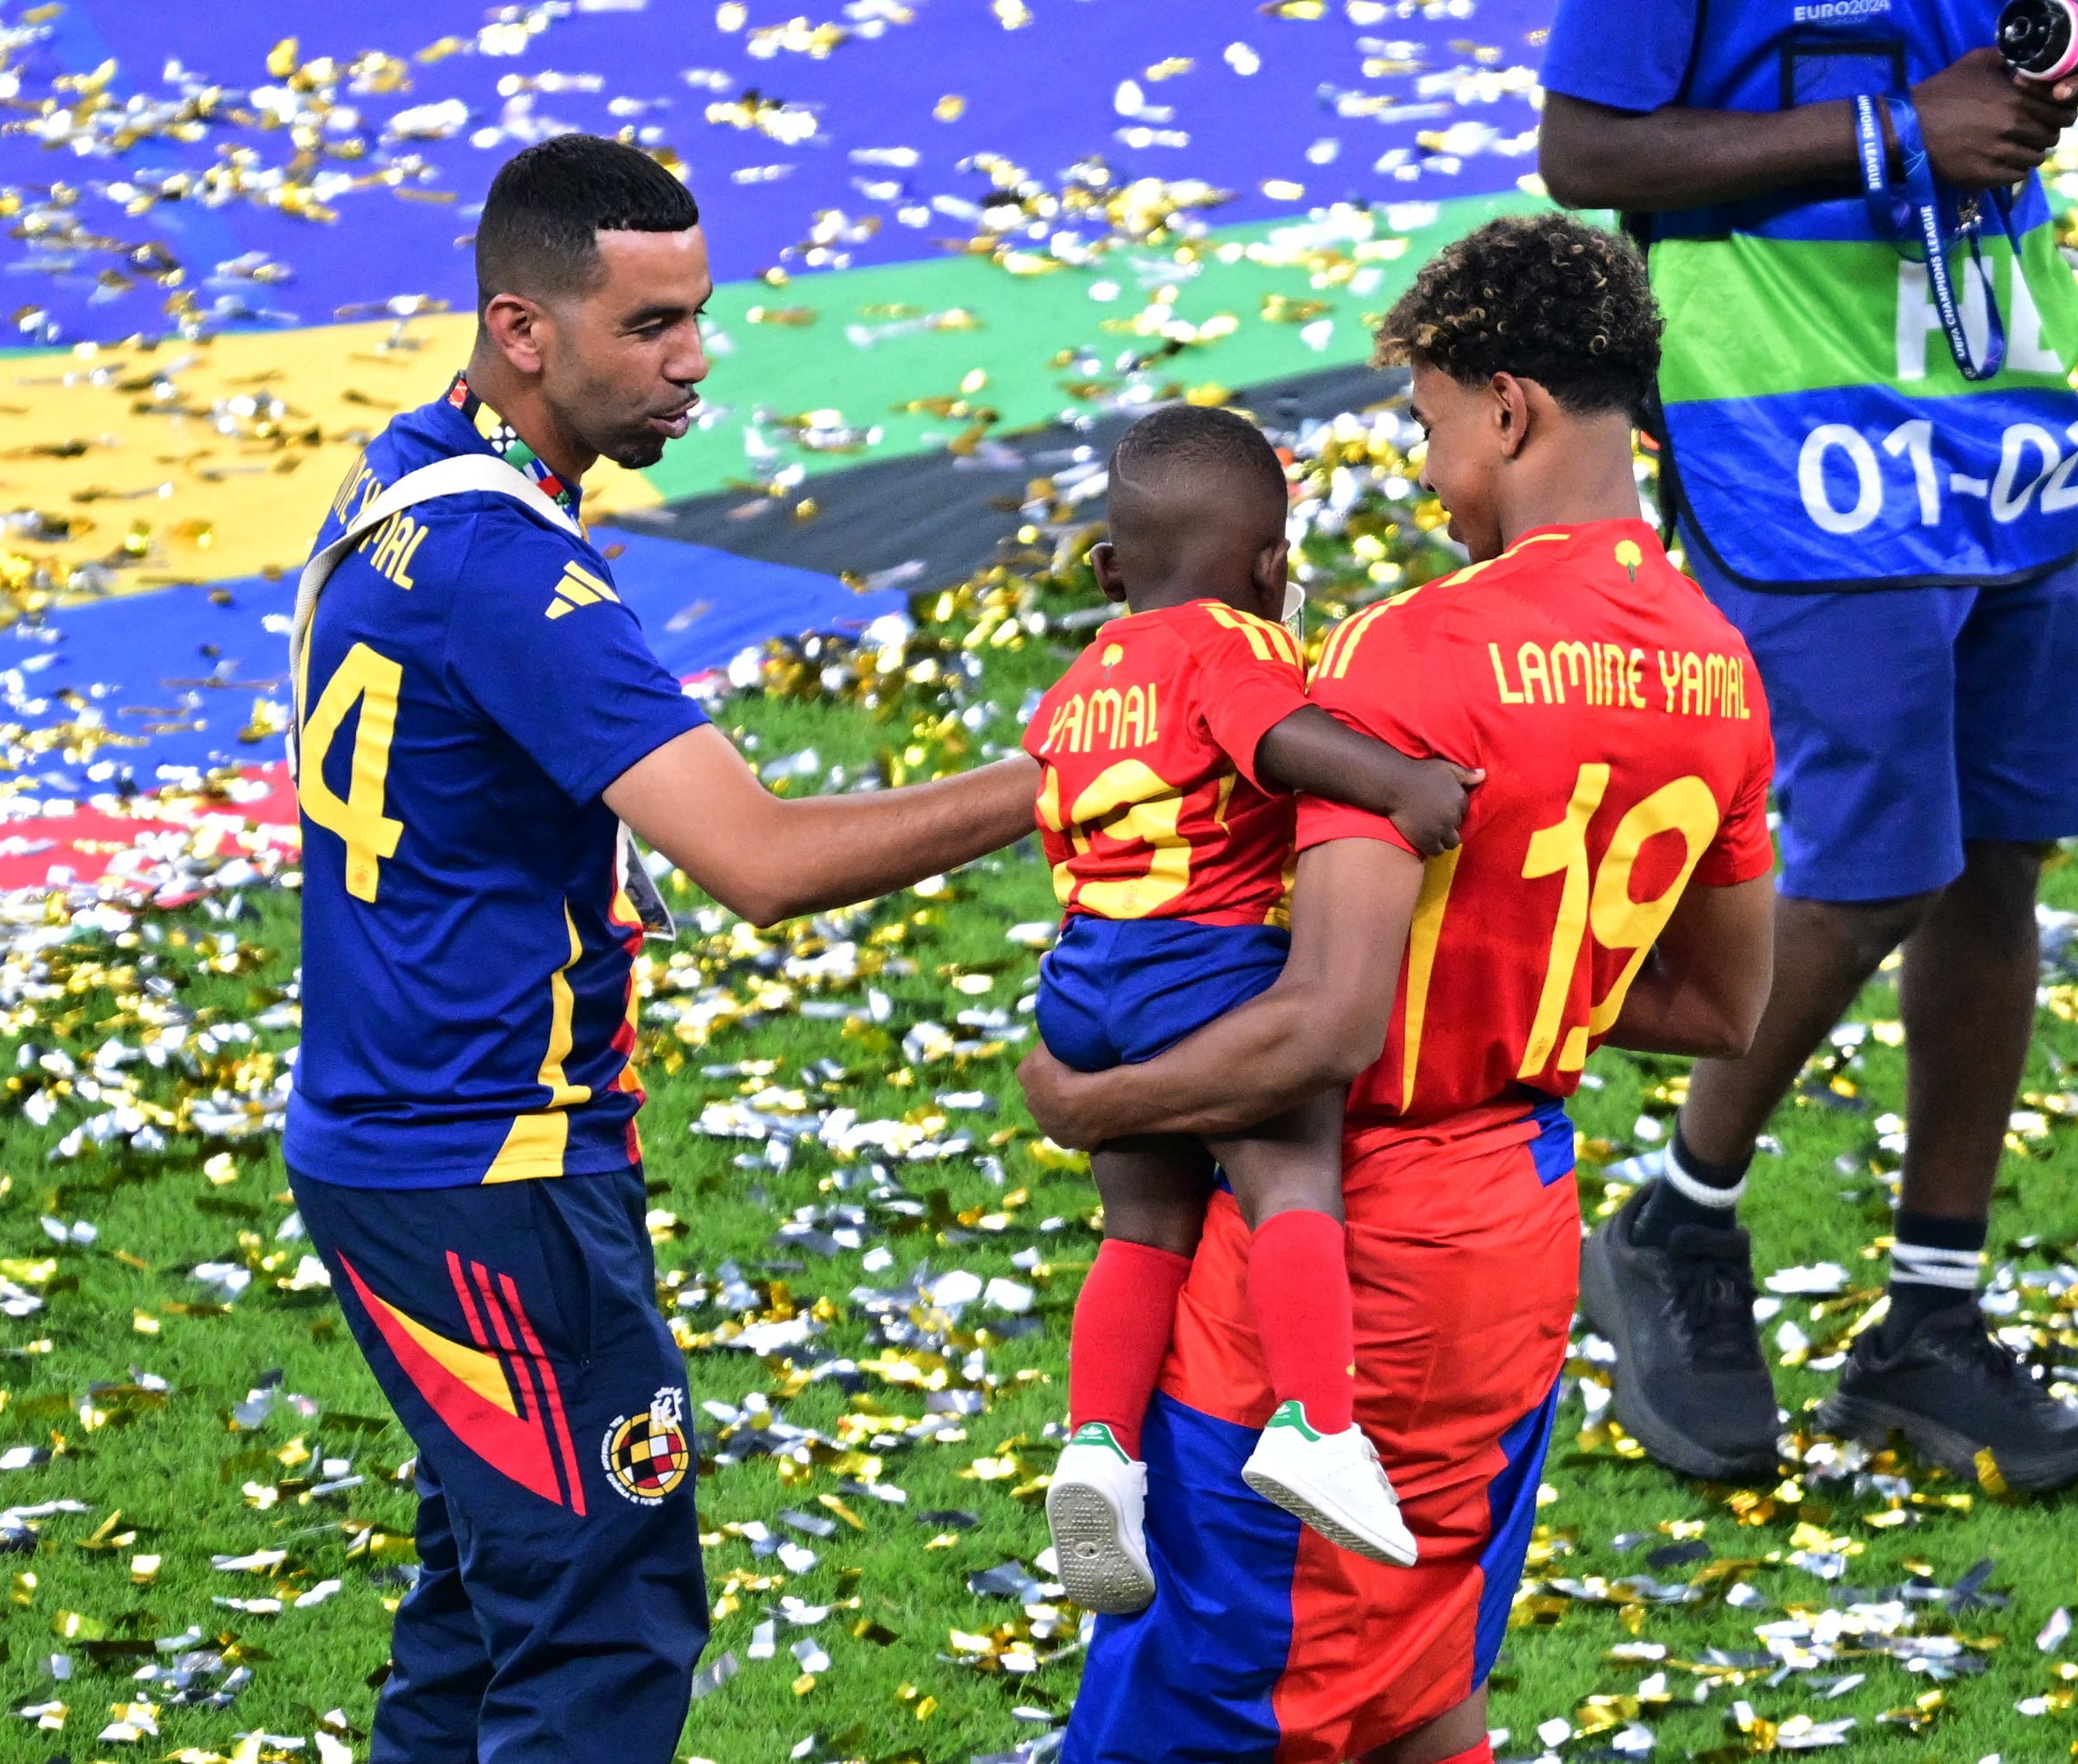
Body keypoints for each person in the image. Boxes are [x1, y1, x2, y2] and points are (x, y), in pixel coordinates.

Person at [280, 135, 1038, 1764]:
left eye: (700, 316)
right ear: (523, 328)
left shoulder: (410, 480)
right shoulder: (510, 568)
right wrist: (1055, 777)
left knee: (479, 1619)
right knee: (599, 1615)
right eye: (651, 328)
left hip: (402, 1148)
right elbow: (757, 860)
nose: (696, 360)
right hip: (488, 1176)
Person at [1022, 213, 1775, 1764]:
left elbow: (1329, 1020)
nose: (1434, 474)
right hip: (1520, 1233)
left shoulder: (1409, 652)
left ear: (1509, 408)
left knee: (1206, 1703)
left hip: (1353, 1243)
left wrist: (1086, 1099)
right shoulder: (1719, 659)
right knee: (1429, 1678)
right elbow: (1717, 1006)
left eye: (1433, 423)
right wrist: (1518, 960)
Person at [1538, 0, 2078, 1491]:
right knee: (1879, 864)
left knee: (2001, 861)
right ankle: (1674, 1221)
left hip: (1993, 419)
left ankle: (1929, 1324)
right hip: (1790, 427)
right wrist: (1896, 135)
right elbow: (1581, 153)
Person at [1032, 404, 1479, 1612]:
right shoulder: (1236, 645)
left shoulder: (1077, 683)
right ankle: (1317, 1425)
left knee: (1141, 1226)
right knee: (1291, 1164)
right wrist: (1400, 783)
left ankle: (1096, 1452)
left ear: (1112, 569)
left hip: (1084, 978)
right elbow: (1276, 741)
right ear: (1275, 569)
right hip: (1203, 958)